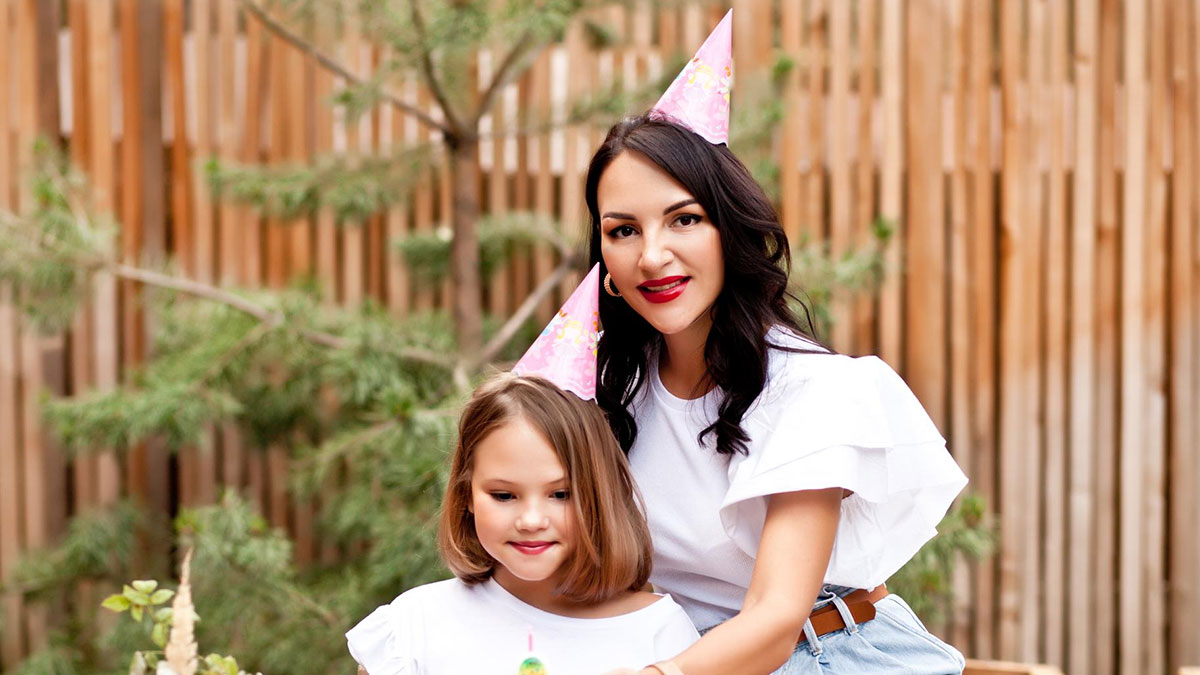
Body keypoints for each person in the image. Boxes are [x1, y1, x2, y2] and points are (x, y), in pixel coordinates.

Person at [588, 11, 969, 675]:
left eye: (684, 219)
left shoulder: (812, 390)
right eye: (622, 230)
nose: (652, 255)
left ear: (729, 233)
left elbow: (771, 617)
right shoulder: (610, 386)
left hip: (826, 652)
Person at [346, 269, 700, 675]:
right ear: (466, 496)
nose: (531, 520)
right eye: (504, 495)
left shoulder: (657, 632)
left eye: (561, 494)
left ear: (600, 495)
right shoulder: (414, 628)